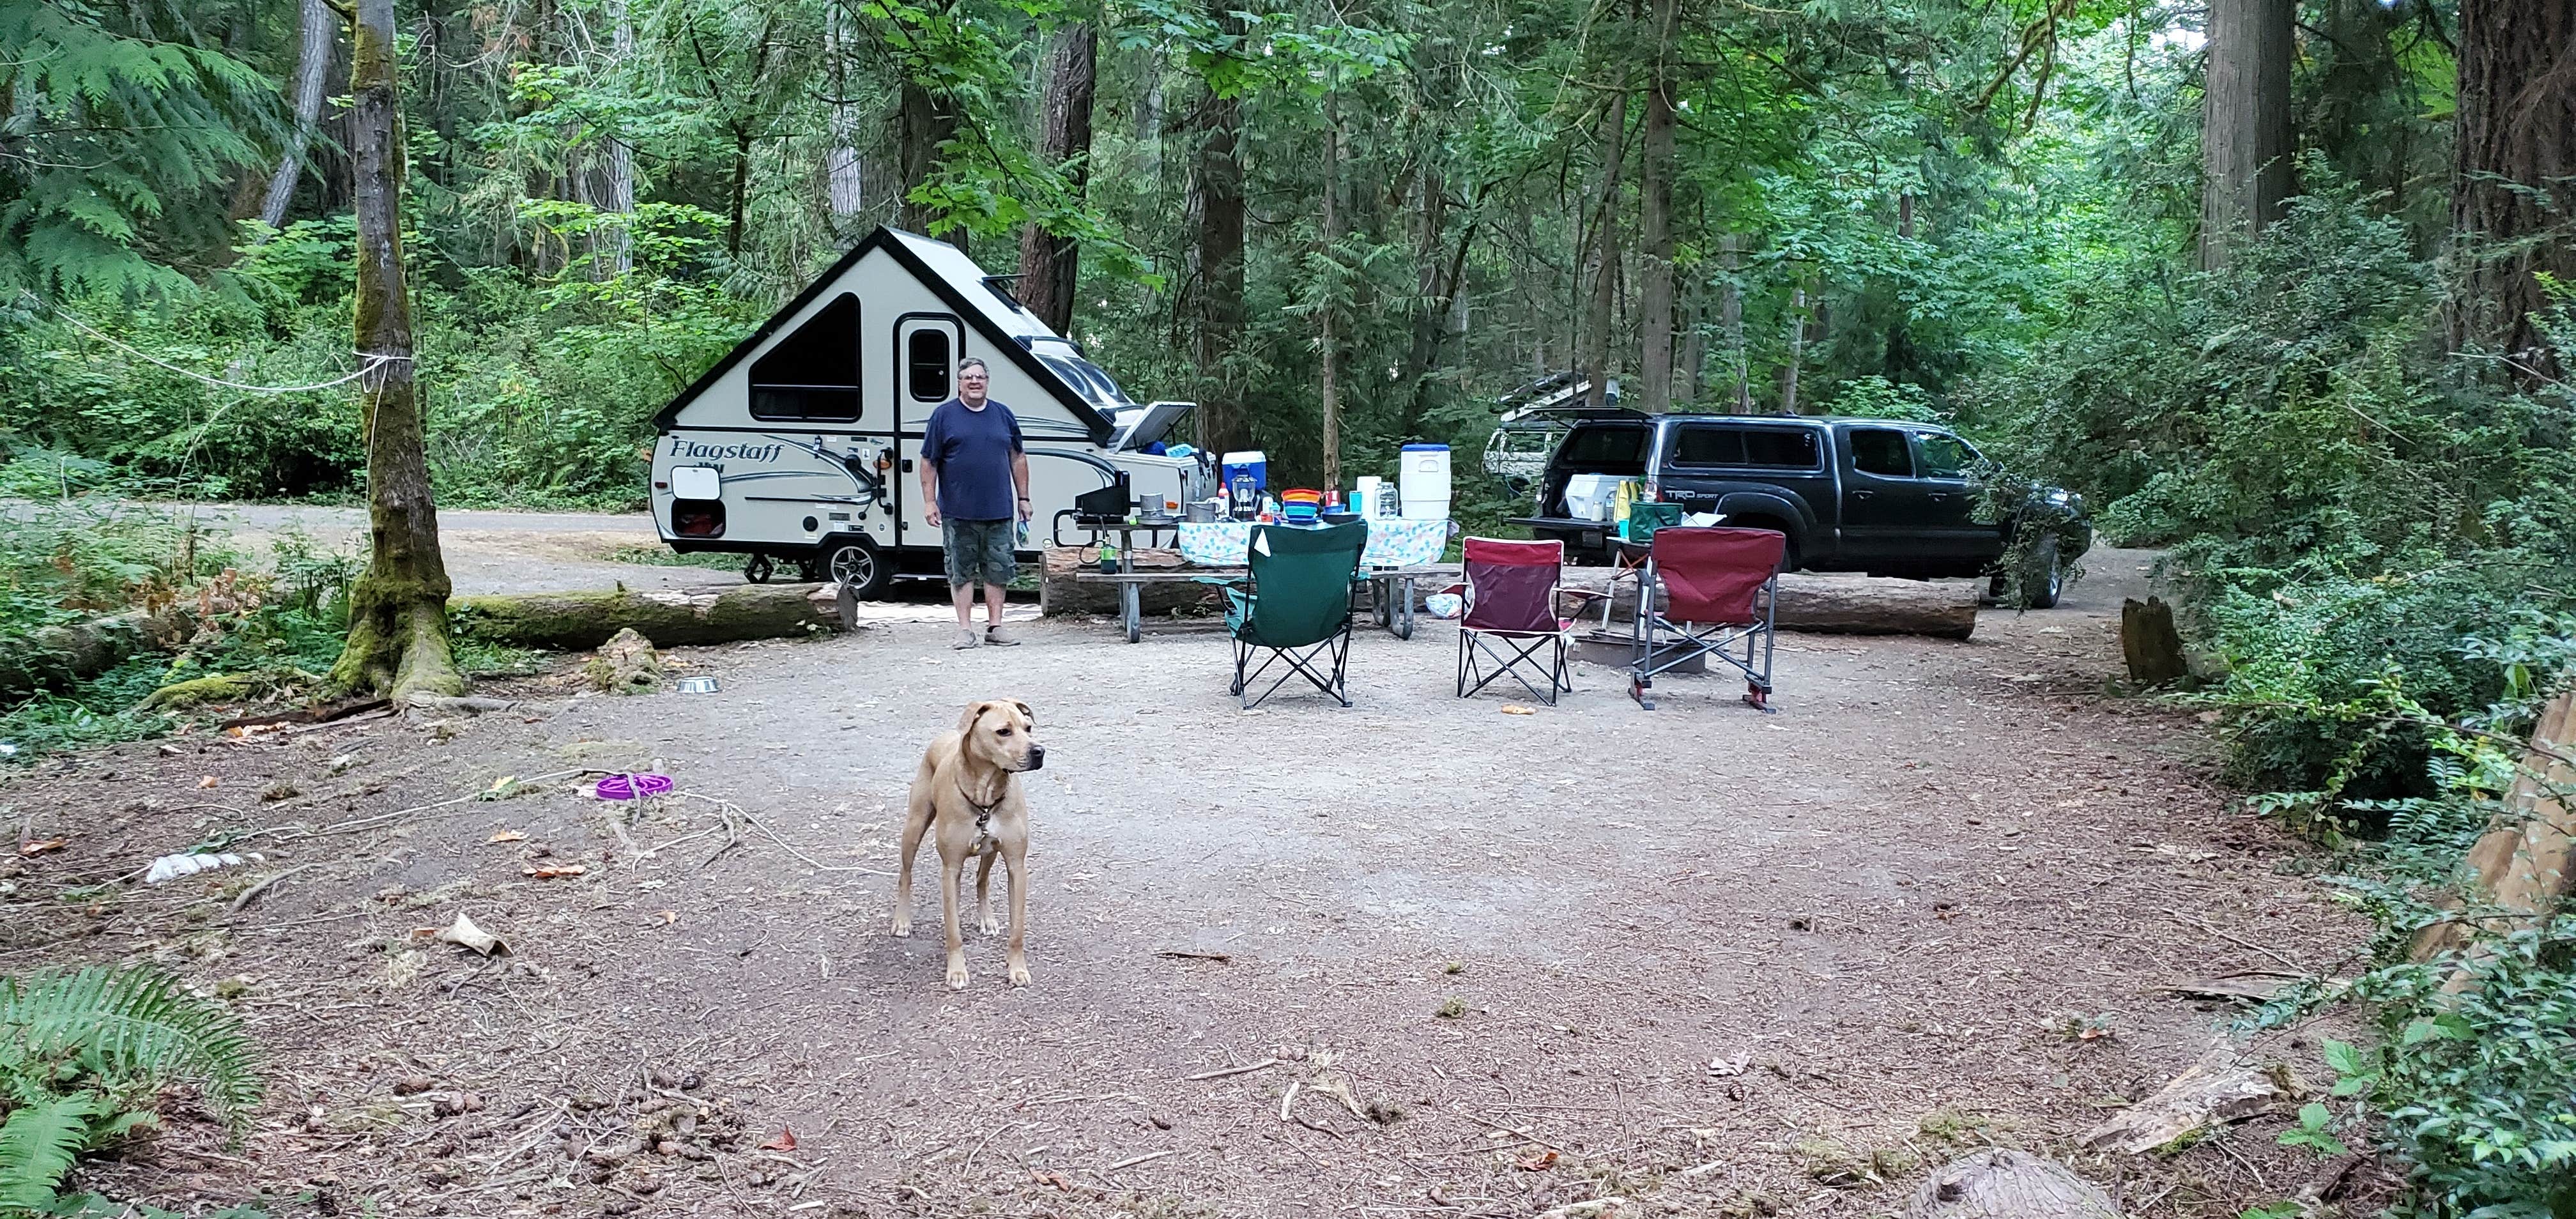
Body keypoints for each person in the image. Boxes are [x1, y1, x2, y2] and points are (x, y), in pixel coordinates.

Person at [919, 357, 1032, 648]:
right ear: (959, 382)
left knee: (998, 570)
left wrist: (1024, 498)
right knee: (961, 571)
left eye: (980, 377)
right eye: (968, 377)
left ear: (987, 381)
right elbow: (929, 461)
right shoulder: (944, 416)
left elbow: (1017, 457)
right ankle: (965, 630)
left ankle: (995, 627)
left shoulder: (1002, 415)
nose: (974, 382)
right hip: (958, 511)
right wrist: (929, 502)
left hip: (999, 510)